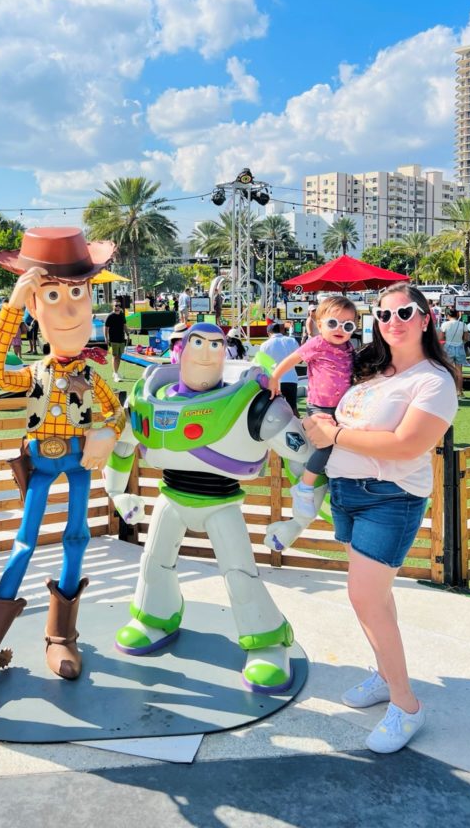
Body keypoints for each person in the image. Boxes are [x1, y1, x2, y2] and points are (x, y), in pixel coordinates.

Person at [0, 228, 125, 683]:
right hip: (38, 459)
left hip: (77, 459)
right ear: (37, 305)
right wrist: (12, 308)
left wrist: (107, 434)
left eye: (78, 292)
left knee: (77, 536)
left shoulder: (95, 373)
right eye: (53, 295)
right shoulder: (34, 372)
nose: (70, 308)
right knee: (24, 540)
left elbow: (119, 411)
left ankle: (61, 636)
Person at [105, 323, 312, 692]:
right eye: (197, 343)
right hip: (172, 495)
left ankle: (268, 641)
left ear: (226, 352)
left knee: (238, 575)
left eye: (216, 344)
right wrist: (118, 493)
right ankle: (155, 617)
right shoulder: (149, 395)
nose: (207, 351)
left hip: (221, 501)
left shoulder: (254, 401)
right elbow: (122, 446)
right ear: (180, 351)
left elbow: (303, 461)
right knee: (154, 564)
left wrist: (297, 519)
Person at [302, 284, 458, 753]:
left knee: (364, 598)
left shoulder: (435, 380)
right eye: (384, 314)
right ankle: (385, 675)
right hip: (347, 493)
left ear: (426, 318)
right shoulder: (371, 370)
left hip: (389, 499)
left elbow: (408, 445)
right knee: (377, 600)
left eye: (405, 311)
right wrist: (321, 431)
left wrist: (335, 434)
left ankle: (406, 706)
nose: (394, 321)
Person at [267, 296, 357, 528]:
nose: (340, 330)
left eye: (348, 326)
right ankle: (305, 486)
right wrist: (275, 378)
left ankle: (329, 487)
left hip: (342, 410)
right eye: (333, 323)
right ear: (318, 322)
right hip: (320, 407)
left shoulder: (349, 348)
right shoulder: (317, 344)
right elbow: (291, 360)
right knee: (326, 446)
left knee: (344, 447)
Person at [259, 322, 300, 416]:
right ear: (281, 330)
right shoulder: (291, 341)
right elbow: (299, 359)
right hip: (291, 378)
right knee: (293, 408)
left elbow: (263, 364)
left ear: (268, 333)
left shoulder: (264, 345)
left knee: (273, 410)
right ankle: (299, 428)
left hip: (274, 380)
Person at [439, 309, 466, 396]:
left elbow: (441, 338)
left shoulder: (445, 324)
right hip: (460, 347)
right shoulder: (463, 324)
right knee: (459, 372)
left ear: (447, 316)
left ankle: (448, 391)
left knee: (448, 371)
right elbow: (466, 338)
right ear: (457, 315)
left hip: (448, 347)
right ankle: (459, 391)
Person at [104, 299, 130, 383]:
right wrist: (106, 338)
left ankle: (116, 372)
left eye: (119, 305)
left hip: (121, 339)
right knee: (115, 357)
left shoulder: (122, 315)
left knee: (119, 357)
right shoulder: (110, 316)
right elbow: (106, 328)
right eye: (116, 305)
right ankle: (115, 374)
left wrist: (127, 334)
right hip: (113, 339)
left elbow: (124, 325)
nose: (117, 307)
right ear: (113, 306)